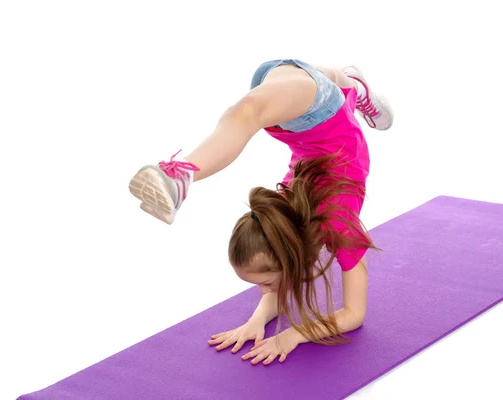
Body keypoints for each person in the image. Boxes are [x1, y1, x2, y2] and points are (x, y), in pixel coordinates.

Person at [129, 59, 393, 365]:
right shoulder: (336, 226)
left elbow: (344, 311)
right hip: (318, 112)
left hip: (299, 117)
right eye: (264, 285)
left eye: (264, 283)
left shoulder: (296, 218)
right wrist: (261, 321)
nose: (263, 291)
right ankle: (351, 86)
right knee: (247, 112)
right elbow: (347, 311)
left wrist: (290, 333)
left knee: (248, 112)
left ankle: (180, 175)